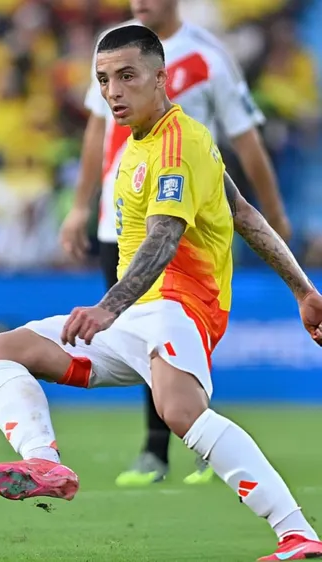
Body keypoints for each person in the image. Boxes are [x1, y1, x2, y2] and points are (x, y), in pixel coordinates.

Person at [0, 25, 322, 561]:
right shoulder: (140, 144)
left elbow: (165, 235)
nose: (113, 91)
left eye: (127, 76)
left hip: (179, 303)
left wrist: (107, 305)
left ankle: (295, 531)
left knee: (179, 411)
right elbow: (244, 215)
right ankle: (43, 460)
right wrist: (304, 291)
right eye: (104, 80)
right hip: (135, 314)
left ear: (161, 78)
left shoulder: (179, 145)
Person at [59, 0, 292, 487]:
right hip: (117, 220)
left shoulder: (209, 57)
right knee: (141, 336)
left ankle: (195, 436)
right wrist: (81, 205)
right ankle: (160, 446)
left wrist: (273, 215)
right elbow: (96, 131)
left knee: (172, 326)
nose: (142, 3)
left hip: (182, 213)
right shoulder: (115, 52)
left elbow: (245, 138)